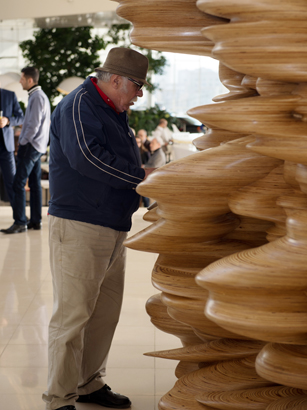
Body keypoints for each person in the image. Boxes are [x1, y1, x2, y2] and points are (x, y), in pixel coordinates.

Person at [42, 47, 155, 410]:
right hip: (80, 226)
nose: (138, 95)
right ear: (117, 79)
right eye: (137, 87)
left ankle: (89, 384)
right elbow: (87, 157)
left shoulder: (113, 108)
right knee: (72, 317)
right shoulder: (80, 104)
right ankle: (59, 399)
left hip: (112, 226)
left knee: (103, 315)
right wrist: (142, 178)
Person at [1, 67, 50, 234]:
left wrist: (22, 141)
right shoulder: (38, 96)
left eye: (22, 78)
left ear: (30, 80)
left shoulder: (36, 97)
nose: (20, 81)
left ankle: (20, 222)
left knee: (18, 184)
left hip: (31, 146)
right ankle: (36, 221)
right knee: (35, 184)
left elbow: (33, 126)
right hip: (37, 146)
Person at [0, 83, 24, 204]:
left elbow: (21, 117)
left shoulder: (10, 95)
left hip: (6, 148)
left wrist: (8, 120)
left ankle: (20, 219)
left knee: (12, 183)